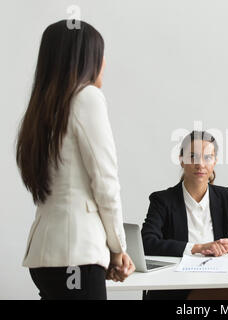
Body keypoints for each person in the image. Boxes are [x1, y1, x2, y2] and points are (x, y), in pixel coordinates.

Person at [16, 20, 135, 300]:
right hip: (77, 254)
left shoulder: (42, 109)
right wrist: (117, 249)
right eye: (99, 54)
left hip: (44, 256)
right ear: (85, 59)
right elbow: (105, 182)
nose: (104, 62)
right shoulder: (87, 98)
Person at [141, 130, 228, 300]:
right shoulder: (163, 200)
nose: (200, 164)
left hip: (217, 281)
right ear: (181, 160)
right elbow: (147, 242)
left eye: (208, 157)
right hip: (173, 286)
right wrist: (197, 248)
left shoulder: (225, 198)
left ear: (215, 162)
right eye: (193, 156)